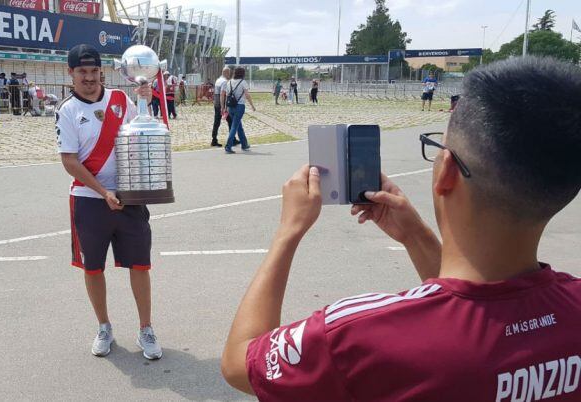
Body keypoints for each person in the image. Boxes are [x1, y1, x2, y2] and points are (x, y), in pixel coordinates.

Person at [221, 56, 581, 401]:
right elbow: (478, 311)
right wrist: (415, 236)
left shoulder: (354, 335)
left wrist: (288, 231)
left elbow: (240, 363)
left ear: (446, 172)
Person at [56, 44, 163, 361]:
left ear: (101, 71)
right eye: (82, 72)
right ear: (71, 73)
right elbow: (70, 162)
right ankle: (104, 327)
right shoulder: (67, 111)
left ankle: (146, 328)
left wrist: (145, 103)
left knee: (140, 266)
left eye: (93, 71)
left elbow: (140, 134)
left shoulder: (120, 100)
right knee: (93, 268)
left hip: (129, 198)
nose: (89, 78)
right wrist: (104, 193)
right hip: (90, 201)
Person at [221, 67, 256, 154]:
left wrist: (225, 107)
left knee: (238, 126)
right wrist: (252, 105)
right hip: (239, 106)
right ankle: (228, 146)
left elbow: (227, 96)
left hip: (230, 107)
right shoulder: (243, 82)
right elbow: (247, 95)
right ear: (242, 74)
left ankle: (244, 144)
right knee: (234, 127)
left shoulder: (229, 82)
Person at [210, 67, 233, 147]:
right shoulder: (225, 81)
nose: (229, 74)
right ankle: (232, 139)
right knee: (230, 121)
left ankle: (214, 139)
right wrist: (223, 107)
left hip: (216, 104)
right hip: (221, 104)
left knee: (216, 122)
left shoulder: (218, 80)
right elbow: (222, 95)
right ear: (227, 73)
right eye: (229, 73)